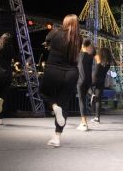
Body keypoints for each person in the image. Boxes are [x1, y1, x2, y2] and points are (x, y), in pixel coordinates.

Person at [39, 14, 82, 147]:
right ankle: (57, 137)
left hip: (53, 70)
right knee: (64, 104)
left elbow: (46, 40)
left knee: (43, 93)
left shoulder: (56, 31)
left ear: (65, 21)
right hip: (71, 73)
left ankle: (53, 106)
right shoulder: (79, 38)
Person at [76, 39, 95, 131]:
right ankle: (92, 93)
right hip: (89, 80)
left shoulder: (79, 55)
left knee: (81, 100)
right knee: (84, 98)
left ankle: (84, 123)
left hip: (81, 80)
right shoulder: (91, 57)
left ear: (83, 46)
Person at [90, 47, 112, 123]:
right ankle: (97, 118)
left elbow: (93, 54)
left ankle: (92, 94)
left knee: (84, 85)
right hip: (101, 80)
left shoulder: (98, 60)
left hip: (94, 77)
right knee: (98, 100)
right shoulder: (108, 63)